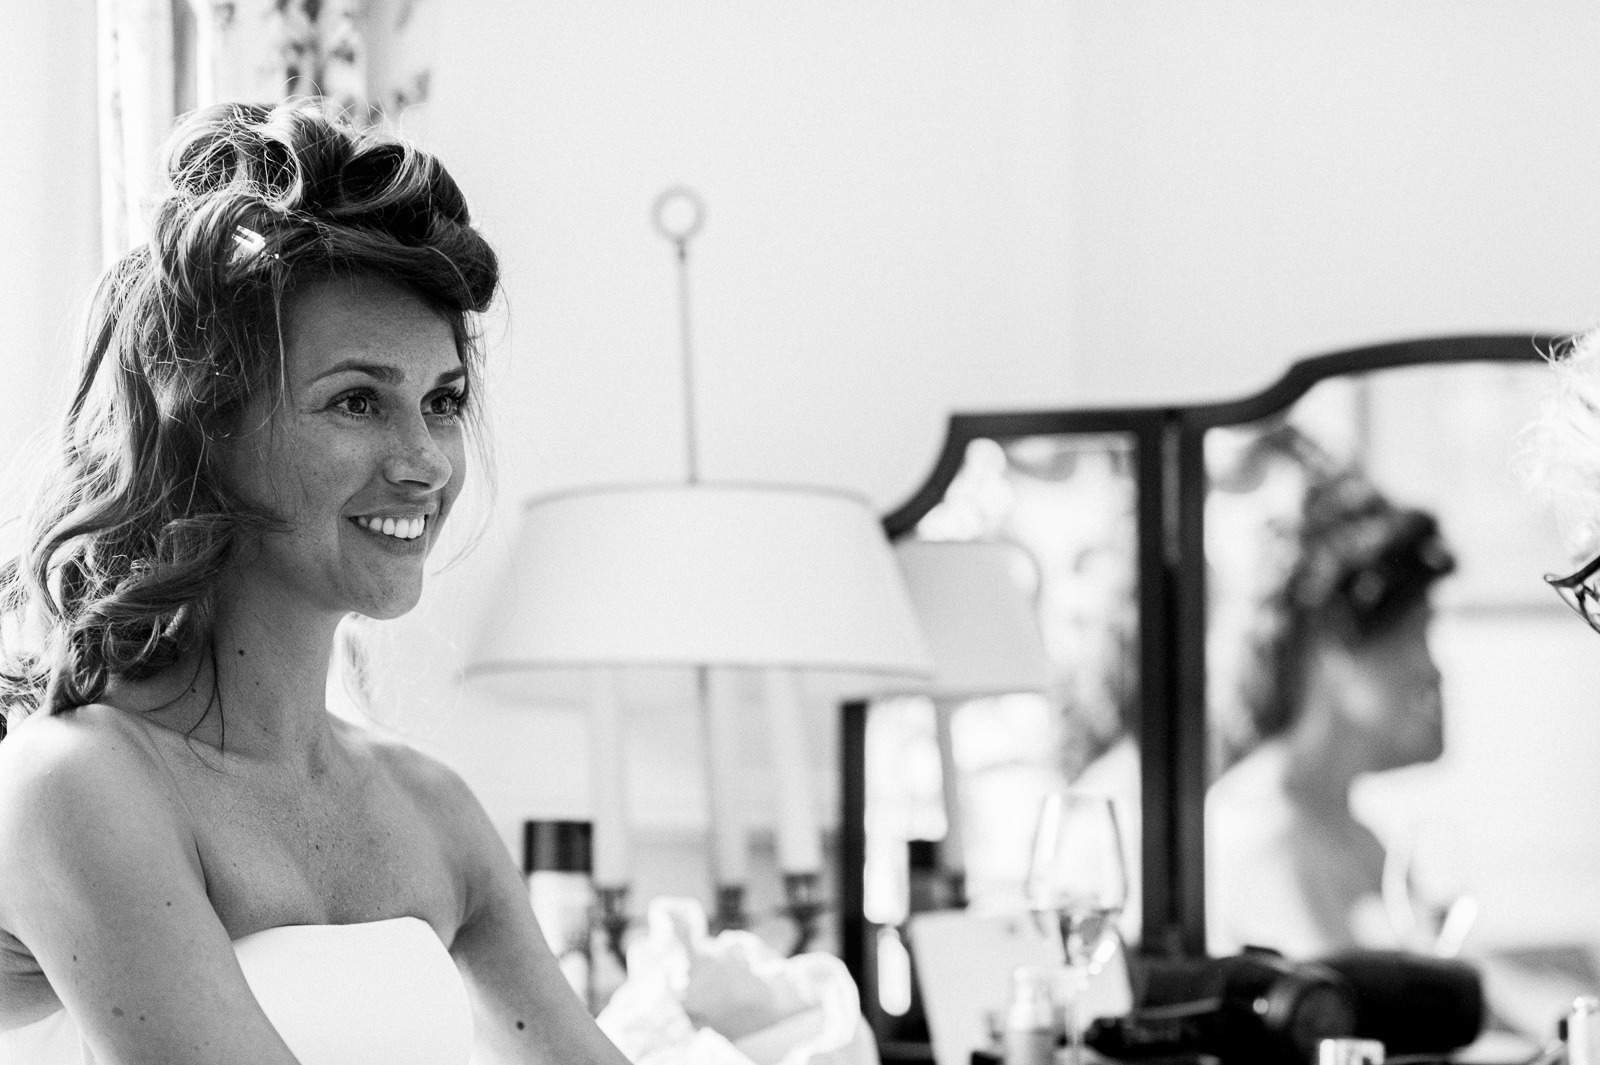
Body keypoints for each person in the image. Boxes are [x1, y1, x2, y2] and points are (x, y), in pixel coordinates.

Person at [0, 102, 631, 1065]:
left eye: (444, 401)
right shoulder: (77, 784)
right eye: (356, 401)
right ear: (201, 423)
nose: (423, 460)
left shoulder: (432, 808)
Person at [1205, 430, 1455, 958]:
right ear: (1328, 650)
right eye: (1411, 636)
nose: (1434, 672)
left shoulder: (1350, 832)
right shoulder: (1261, 838)